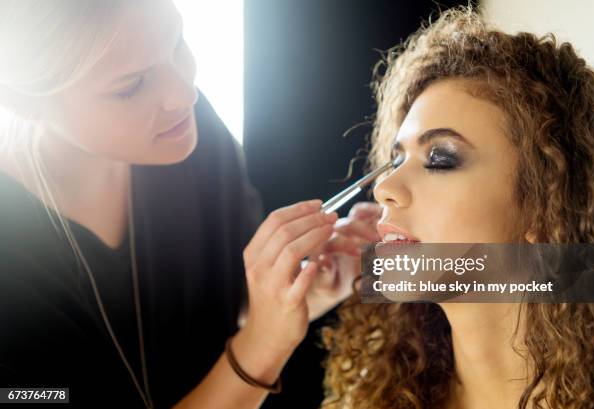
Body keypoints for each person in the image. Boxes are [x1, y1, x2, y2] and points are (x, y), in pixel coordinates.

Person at [0, 1, 381, 408]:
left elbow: (220, 314)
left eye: (176, 42)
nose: (184, 93)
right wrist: (263, 344)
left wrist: (303, 292)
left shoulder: (184, 134)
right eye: (130, 86)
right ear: (24, 100)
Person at [321, 7, 594, 409]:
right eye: (396, 159)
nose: (385, 188)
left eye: (440, 159)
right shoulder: (374, 398)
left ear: (544, 203)